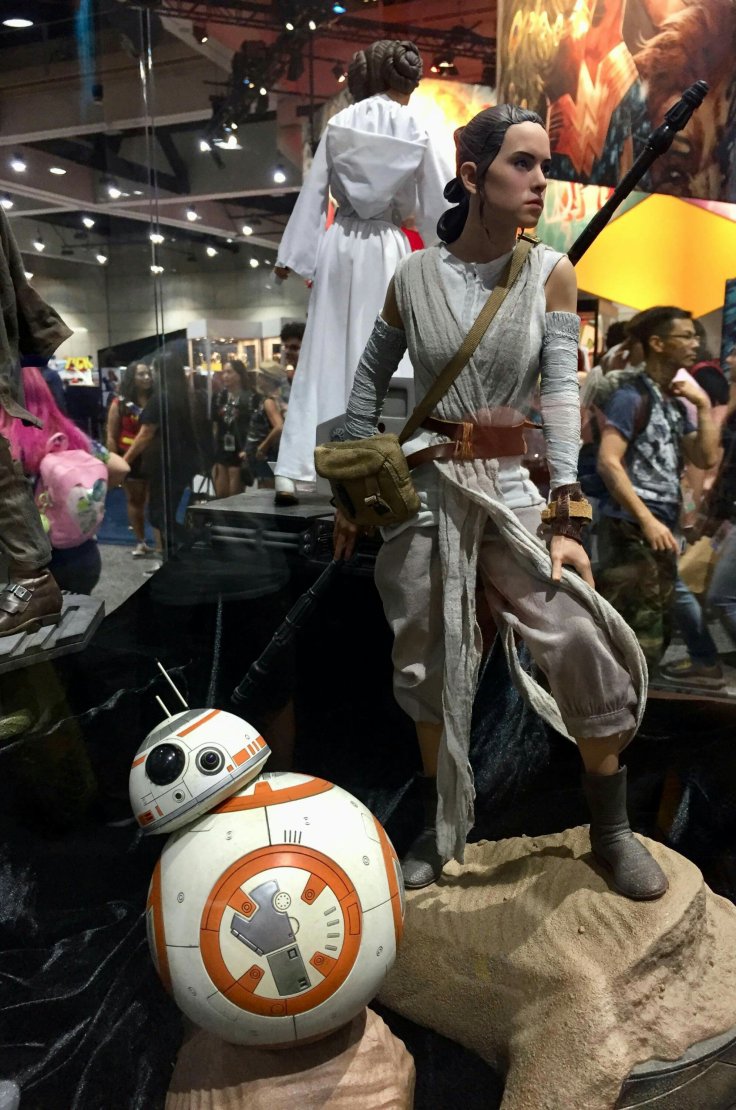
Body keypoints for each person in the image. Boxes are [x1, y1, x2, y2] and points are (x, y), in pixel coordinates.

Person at [333, 104, 666, 902]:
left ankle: (613, 828)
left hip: (515, 489)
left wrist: (566, 511)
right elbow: (365, 387)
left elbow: (560, 395)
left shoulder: (550, 273)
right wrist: (350, 490)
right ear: (474, 176)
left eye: (545, 165)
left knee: (578, 636)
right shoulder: (413, 278)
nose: (541, 181)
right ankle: (438, 826)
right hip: (426, 490)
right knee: (427, 660)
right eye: (524, 163)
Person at [272, 38, 451, 505]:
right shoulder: (415, 125)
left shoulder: (339, 124)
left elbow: (314, 194)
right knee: (390, 352)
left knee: (324, 349)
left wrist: (293, 255)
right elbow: (440, 200)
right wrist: (451, 252)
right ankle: (386, 461)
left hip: (341, 245)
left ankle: (295, 469)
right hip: (389, 247)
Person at [596, 307, 720, 681]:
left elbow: (705, 456)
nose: (695, 343)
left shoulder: (672, 399)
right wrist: (646, 519)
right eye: (686, 336)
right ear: (658, 343)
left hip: (661, 522)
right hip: (632, 525)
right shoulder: (630, 396)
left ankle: (637, 697)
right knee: (638, 624)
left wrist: (703, 405)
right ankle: (623, 701)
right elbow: (609, 462)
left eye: (695, 336)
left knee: (659, 621)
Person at [0, 367, 111, 594]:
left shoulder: (6, 441)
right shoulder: (68, 433)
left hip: (24, 569)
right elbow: (119, 466)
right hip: (81, 557)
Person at [123, 352, 200, 572]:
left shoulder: (161, 398)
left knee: (158, 515)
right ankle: (174, 559)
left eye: (154, 371)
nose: (152, 376)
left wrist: (125, 461)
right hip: (182, 463)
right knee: (165, 513)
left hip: (165, 465)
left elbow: (146, 433)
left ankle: (193, 543)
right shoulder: (185, 396)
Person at [106, 362, 155, 556]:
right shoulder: (120, 403)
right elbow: (111, 435)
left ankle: (160, 543)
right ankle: (141, 542)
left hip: (153, 457)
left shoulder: (156, 399)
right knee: (135, 500)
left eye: (148, 373)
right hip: (130, 458)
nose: (146, 377)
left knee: (156, 501)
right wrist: (115, 462)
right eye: (141, 374)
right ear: (132, 378)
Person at [210, 358, 253, 498]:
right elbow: (215, 424)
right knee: (221, 494)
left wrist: (248, 449)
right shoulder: (219, 397)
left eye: (229, 372)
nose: (225, 376)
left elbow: (252, 425)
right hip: (222, 447)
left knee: (234, 495)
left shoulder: (249, 397)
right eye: (224, 372)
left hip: (240, 448)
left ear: (239, 375)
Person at [245, 360, 286, 489]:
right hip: (269, 456)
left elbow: (279, 427)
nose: (257, 378)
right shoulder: (277, 399)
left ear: (268, 380)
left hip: (267, 456)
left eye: (260, 376)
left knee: (266, 491)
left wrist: (263, 447)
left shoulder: (269, 401)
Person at [278, 321, 304, 410]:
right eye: (286, 347)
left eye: (294, 348)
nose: (287, 351)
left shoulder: (314, 377)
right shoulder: (293, 376)